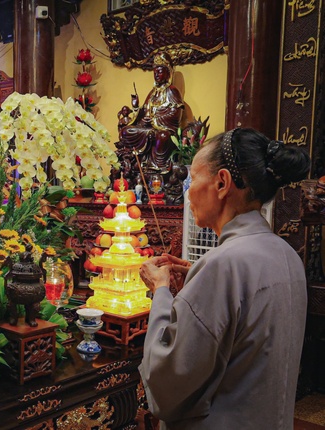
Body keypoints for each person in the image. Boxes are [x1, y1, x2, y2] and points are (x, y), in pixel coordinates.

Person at [138, 128, 310, 429]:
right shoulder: (287, 255)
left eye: (193, 178)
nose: (187, 191)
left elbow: (170, 380)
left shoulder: (222, 265)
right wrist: (198, 275)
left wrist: (161, 290)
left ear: (222, 183)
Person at [118, 51, 184, 174]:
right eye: (155, 72)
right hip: (147, 129)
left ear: (168, 73)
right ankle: (138, 163)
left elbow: (176, 115)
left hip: (162, 129)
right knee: (125, 131)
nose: (156, 75)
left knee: (162, 136)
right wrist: (136, 107)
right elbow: (144, 112)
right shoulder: (152, 92)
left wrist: (154, 120)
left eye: (160, 71)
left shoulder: (172, 91)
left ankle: (157, 165)